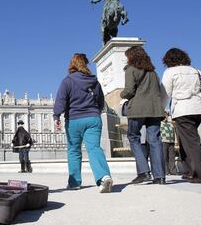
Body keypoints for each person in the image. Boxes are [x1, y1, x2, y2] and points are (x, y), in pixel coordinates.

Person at [53, 53, 113, 193]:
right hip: (93, 119)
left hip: (74, 120)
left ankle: (74, 183)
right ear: (86, 65)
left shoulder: (67, 81)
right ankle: (104, 176)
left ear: (72, 64)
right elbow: (100, 100)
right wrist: (95, 112)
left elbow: (61, 100)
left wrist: (56, 116)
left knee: (74, 150)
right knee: (94, 148)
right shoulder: (94, 81)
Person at [161, 48, 201, 183]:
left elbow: (166, 93)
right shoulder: (195, 70)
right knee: (185, 141)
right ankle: (190, 171)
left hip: (183, 109)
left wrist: (161, 108)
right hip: (199, 108)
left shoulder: (170, 72)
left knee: (191, 141)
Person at [120, 46, 166, 185]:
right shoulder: (153, 72)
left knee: (133, 137)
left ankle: (144, 172)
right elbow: (158, 90)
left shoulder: (130, 69)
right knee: (155, 141)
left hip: (138, 109)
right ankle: (160, 176)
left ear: (131, 57)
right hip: (154, 109)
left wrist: (121, 95)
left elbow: (128, 91)